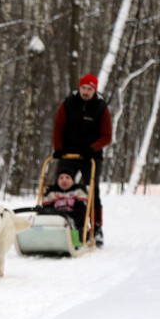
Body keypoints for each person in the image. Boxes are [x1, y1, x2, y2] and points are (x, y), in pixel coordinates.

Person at [52, 73, 112, 246]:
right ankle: (58, 220)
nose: (86, 92)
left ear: (95, 90)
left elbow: (107, 136)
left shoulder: (101, 108)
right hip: (68, 153)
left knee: (92, 189)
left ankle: (96, 227)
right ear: (79, 88)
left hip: (91, 156)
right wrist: (58, 149)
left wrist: (93, 148)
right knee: (61, 184)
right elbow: (58, 127)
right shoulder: (68, 104)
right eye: (84, 88)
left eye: (90, 89)